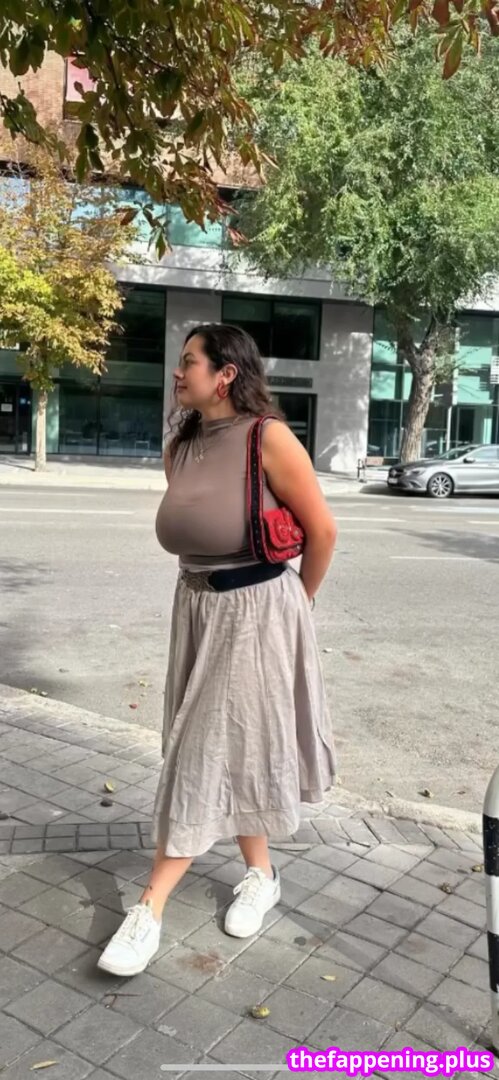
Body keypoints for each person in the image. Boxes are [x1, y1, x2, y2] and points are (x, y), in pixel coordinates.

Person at [97, 322, 337, 978]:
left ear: (226, 374)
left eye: (189, 362)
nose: (177, 373)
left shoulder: (269, 438)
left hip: (255, 610)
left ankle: (149, 907)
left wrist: (295, 607)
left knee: (198, 749)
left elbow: (322, 531)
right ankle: (261, 874)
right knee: (229, 743)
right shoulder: (182, 443)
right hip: (196, 606)